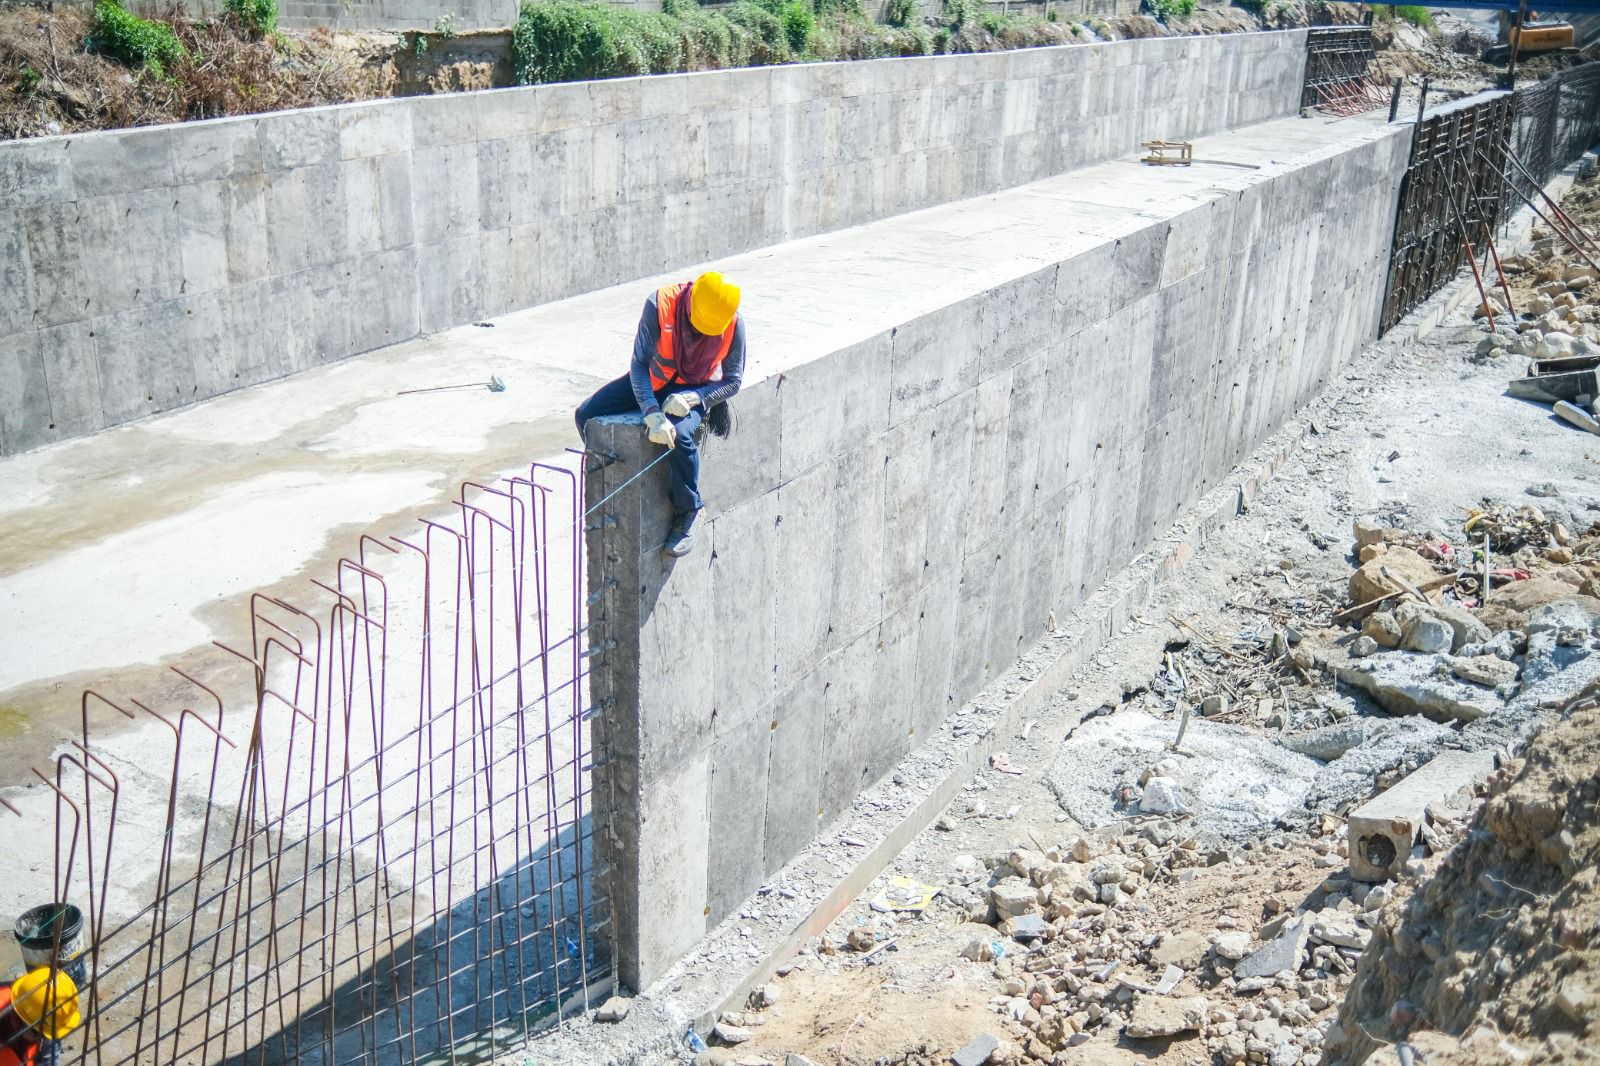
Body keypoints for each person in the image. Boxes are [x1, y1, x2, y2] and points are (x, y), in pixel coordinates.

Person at [574, 271, 745, 557]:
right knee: (585, 414)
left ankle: (691, 509)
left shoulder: (733, 324)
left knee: (680, 435)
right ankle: (605, 481)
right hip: (653, 381)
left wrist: (697, 397)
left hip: (693, 390)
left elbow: (733, 381)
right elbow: (639, 365)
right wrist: (652, 413)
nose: (701, 334)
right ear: (690, 302)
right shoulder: (659, 305)